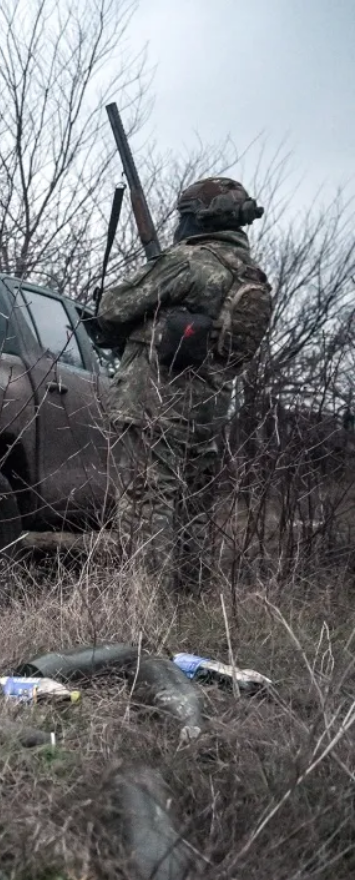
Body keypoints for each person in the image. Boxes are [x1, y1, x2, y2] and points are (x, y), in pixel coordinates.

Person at [97, 177, 272, 593]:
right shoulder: (251, 276)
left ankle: (144, 610)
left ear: (200, 218)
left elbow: (112, 307)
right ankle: (188, 605)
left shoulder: (189, 262)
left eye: (183, 217)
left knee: (146, 503)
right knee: (192, 510)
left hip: (154, 403)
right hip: (208, 410)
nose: (178, 226)